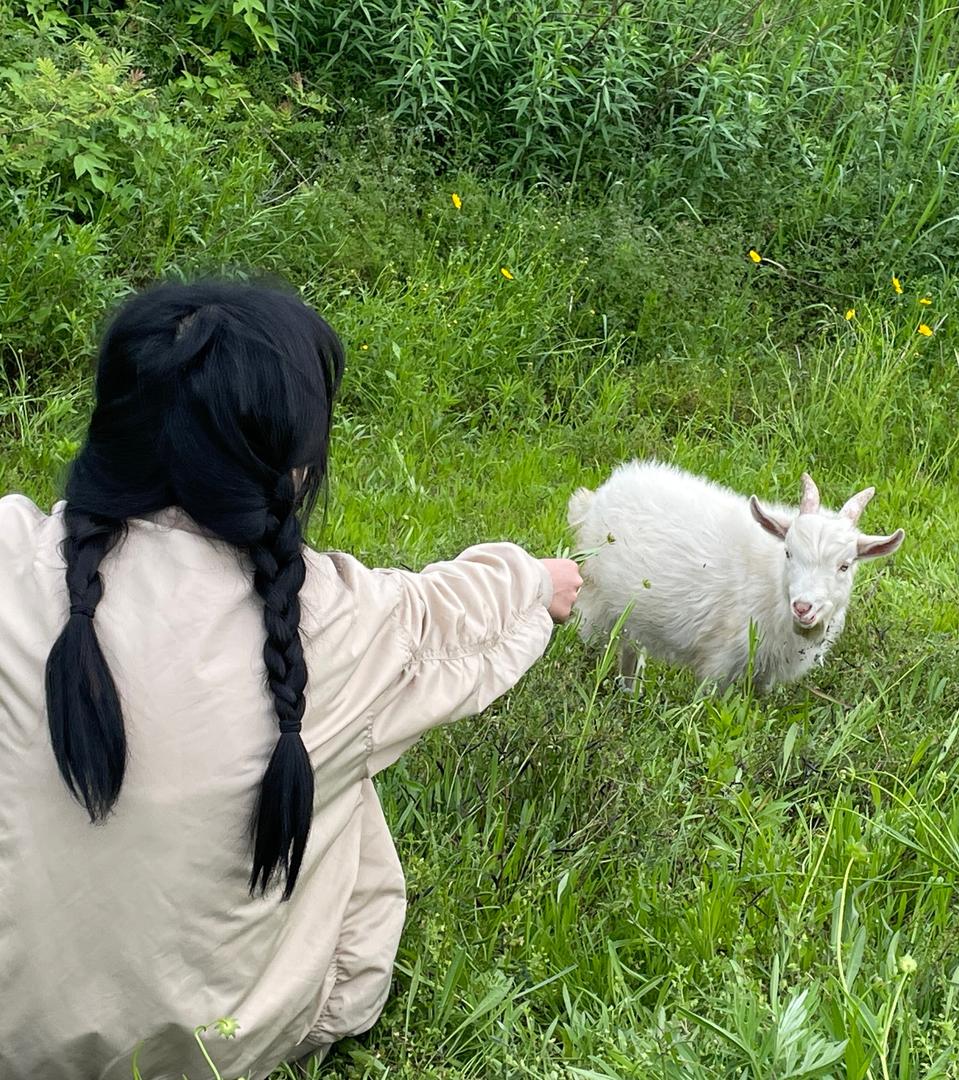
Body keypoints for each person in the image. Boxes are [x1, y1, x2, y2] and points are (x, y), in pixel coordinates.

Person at [0, 281, 582, 1079]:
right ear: (294, 463)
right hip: (220, 1045)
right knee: (321, 743)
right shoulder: (342, 623)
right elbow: (452, 620)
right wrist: (533, 579)